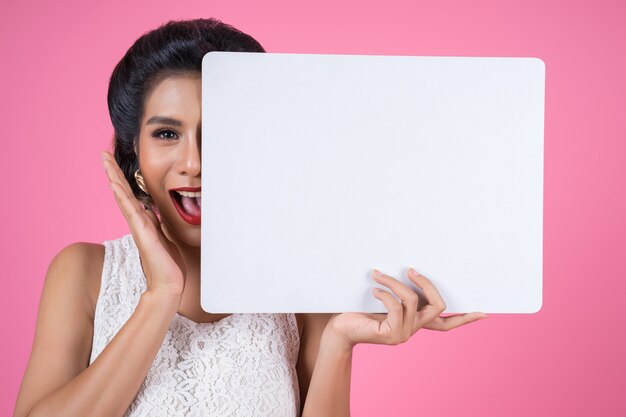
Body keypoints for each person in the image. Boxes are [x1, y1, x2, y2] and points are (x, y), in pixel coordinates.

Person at [13, 18, 488, 417]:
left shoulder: (300, 284)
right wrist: (161, 295)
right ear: (134, 158)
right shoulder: (83, 272)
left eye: (220, 132)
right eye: (166, 133)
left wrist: (341, 340)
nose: (194, 162)